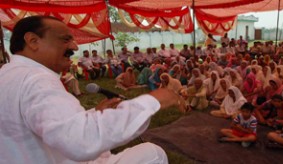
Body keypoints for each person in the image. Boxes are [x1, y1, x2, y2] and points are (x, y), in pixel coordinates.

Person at [0, 16, 187, 164]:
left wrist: (94, 113)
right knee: (154, 154)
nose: (74, 46)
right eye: (65, 40)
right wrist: (153, 101)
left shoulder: (8, 73)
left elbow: (48, 124)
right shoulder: (36, 79)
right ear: (33, 41)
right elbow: (80, 141)